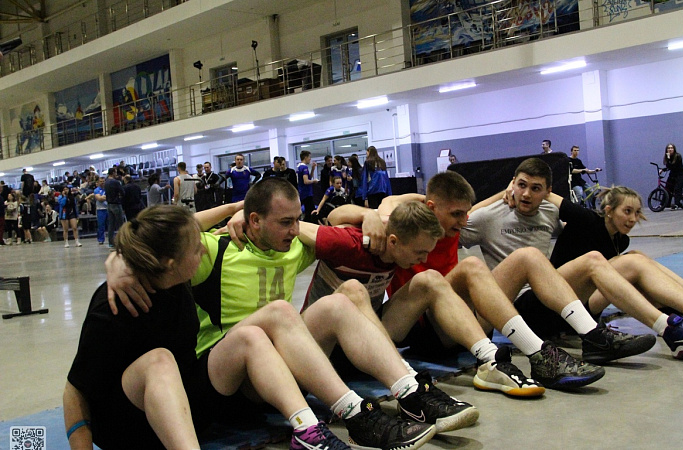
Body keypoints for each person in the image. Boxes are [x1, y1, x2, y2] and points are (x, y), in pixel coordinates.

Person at [110, 178, 473, 445]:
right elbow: (152, 239)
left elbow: (337, 220)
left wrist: (371, 214)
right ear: (254, 220)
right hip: (229, 372)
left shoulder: (295, 247)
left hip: (277, 367)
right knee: (279, 313)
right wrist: (118, 262)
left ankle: (409, 393)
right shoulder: (215, 250)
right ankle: (351, 413)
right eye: (285, 222)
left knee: (341, 299)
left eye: (297, 220)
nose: (295, 229)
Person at [329, 172, 653, 391]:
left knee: (527, 256)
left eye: (465, 213)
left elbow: (469, 209)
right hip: (422, 323)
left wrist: (505, 191)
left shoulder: (453, 220)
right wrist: (371, 214)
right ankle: (536, 353)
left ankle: (591, 336)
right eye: (456, 215)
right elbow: (339, 215)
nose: (464, 222)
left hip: (461, 319)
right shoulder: (406, 222)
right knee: (467, 267)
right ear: (431, 207)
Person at [64, 206, 350, 450]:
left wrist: (236, 210)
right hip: (131, 427)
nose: (204, 247)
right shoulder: (113, 304)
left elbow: (168, 230)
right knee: (160, 360)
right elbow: (75, 392)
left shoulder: (175, 274)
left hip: (188, 403)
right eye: (196, 247)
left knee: (250, 334)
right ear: (171, 263)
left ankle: (308, 430)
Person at [461, 158, 683, 360]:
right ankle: (672, 327)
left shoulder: (549, 214)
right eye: (521, 186)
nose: (526, 194)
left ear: (547, 192)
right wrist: (498, 195)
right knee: (592, 260)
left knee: (631, 260)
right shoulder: (490, 215)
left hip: (553, 304)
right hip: (518, 306)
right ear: (512, 184)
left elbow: (575, 230)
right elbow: (456, 226)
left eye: (535, 188)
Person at [546, 185, 683, 347]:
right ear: (609, 211)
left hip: (588, 305)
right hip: (562, 306)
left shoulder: (620, 240)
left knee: (637, 258)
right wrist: (526, 187)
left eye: (636, 213)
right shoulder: (587, 220)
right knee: (632, 262)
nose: (633, 219)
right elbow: (548, 195)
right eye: (627, 211)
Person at [105, 168, 125, 249]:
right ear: (113, 173)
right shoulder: (115, 182)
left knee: (111, 225)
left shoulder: (106, 182)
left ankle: (111, 242)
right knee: (120, 224)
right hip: (116, 204)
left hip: (109, 204)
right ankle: (122, 241)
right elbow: (122, 192)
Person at [662, 143, 683, 210]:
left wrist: (668, 158)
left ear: (674, 149)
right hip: (672, 174)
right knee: (667, 188)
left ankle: (677, 204)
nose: (670, 149)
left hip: (680, 174)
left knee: (677, 188)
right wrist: (663, 170)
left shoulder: (678, 156)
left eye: (671, 148)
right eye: (668, 148)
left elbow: (673, 166)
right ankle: (664, 203)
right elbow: (669, 166)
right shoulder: (667, 157)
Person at [297, 151, 318, 220]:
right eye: (309, 157)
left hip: (303, 192)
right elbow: (306, 181)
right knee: (311, 212)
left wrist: (313, 169)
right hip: (306, 193)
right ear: (305, 157)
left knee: (309, 211)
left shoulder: (299, 166)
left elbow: (309, 177)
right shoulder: (304, 167)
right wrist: (314, 181)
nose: (310, 159)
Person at [87, 177, 107, 245]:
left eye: (103, 181)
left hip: (108, 208)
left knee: (110, 225)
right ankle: (101, 239)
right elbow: (99, 198)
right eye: (101, 181)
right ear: (98, 182)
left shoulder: (107, 189)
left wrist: (103, 197)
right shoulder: (96, 190)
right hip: (100, 209)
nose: (102, 182)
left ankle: (112, 239)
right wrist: (107, 197)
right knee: (101, 225)